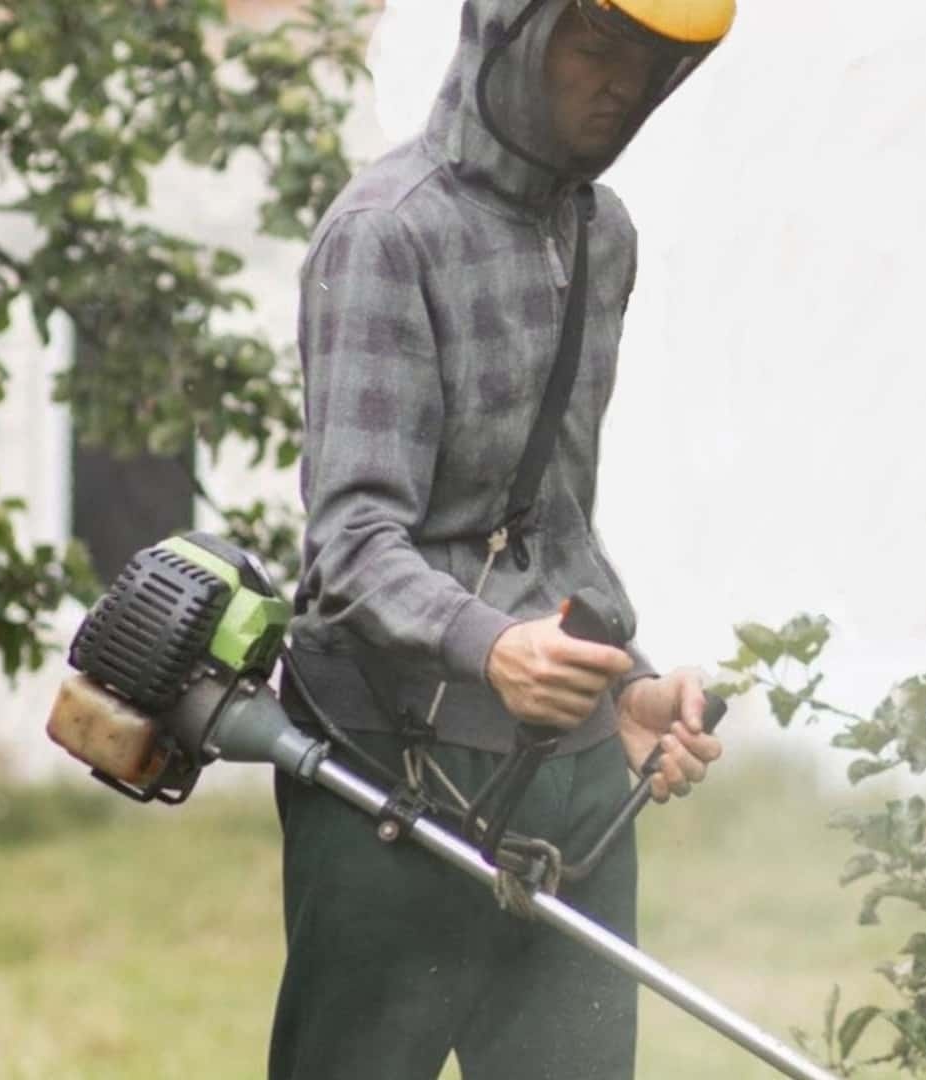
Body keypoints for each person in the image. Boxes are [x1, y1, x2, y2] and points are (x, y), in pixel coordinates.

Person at [269, 1, 735, 1076]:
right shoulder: (386, 231)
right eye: (595, 44)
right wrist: (492, 647)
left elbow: (548, 522)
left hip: (565, 782)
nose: (621, 84)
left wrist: (626, 689)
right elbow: (350, 541)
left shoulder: (600, 230)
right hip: (388, 774)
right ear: (510, 32)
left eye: (652, 63)